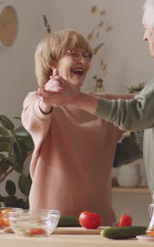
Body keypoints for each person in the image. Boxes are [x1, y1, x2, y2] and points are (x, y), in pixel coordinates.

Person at [38, 0, 154, 226]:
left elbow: (136, 115)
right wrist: (99, 157)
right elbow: (146, 131)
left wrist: (76, 98)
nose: (145, 37)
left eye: (146, 28)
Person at [21, 29, 132, 225]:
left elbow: (145, 105)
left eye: (86, 55)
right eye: (74, 54)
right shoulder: (37, 100)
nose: (83, 61)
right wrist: (48, 99)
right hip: (49, 221)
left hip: (99, 220)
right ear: (51, 61)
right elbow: (35, 117)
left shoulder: (103, 104)